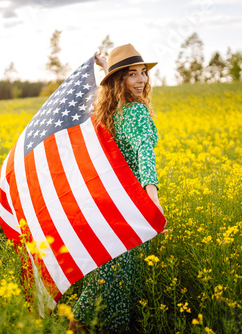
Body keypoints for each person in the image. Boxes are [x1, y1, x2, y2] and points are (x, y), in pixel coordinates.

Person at [69, 44, 165, 333]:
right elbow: (145, 154)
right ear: (118, 80)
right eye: (131, 74)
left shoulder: (108, 109)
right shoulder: (135, 112)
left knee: (102, 279)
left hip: (105, 206)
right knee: (117, 283)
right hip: (129, 208)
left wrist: (105, 65)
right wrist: (153, 199)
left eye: (143, 73)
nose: (141, 80)